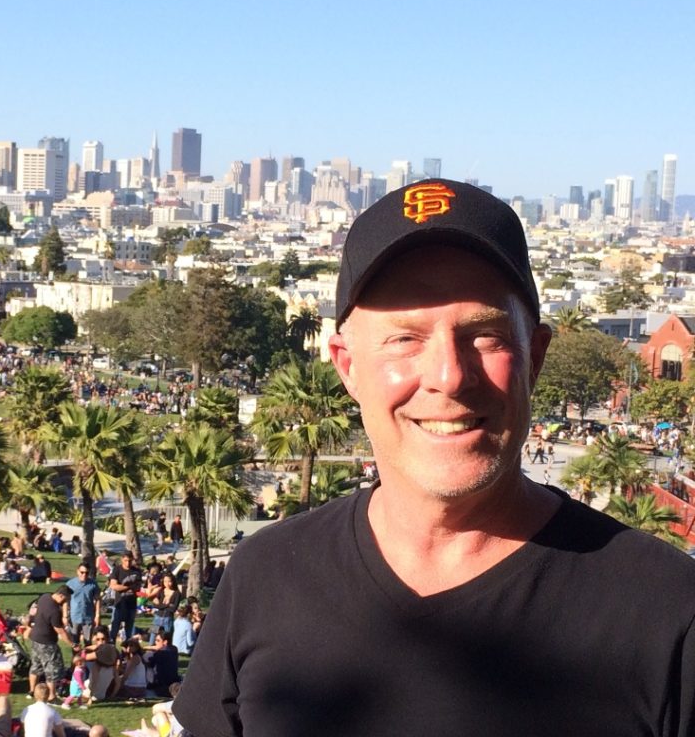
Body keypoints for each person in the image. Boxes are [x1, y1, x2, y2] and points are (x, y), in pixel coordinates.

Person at [173, 179, 695, 735]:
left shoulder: (666, 611)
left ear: (535, 356)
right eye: (405, 338)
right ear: (347, 366)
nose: (449, 376)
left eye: (486, 335)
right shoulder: (266, 577)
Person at [28, 586, 74, 702]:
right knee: (51, 669)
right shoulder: (54, 611)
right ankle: (52, 697)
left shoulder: (45, 597)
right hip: (46, 643)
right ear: (61, 596)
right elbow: (60, 631)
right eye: (66, 599)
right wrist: (72, 644)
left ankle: (32, 691)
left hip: (34, 638)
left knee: (35, 666)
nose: (66, 602)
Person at [108, 551, 142, 641]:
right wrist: (129, 587)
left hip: (131, 605)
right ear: (122, 559)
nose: (128, 563)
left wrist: (125, 587)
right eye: (126, 560)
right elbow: (114, 586)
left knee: (129, 632)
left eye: (130, 561)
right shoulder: (117, 570)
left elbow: (138, 588)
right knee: (114, 630)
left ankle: (127, 651)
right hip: (119, 604)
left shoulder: (137, 571)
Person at [64, 562, 101, 645]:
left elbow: (98, 599)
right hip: (74, 616)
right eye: (82, 572)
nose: (84, 575)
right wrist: (65, 615)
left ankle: (88, 658)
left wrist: (97, 615)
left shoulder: (93, 584)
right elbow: (65, 600)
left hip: (88, 617)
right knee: (74, 642)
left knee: (88, 642)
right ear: (77, 571)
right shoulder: (70, 584)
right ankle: (76, 657)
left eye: (86, 573)